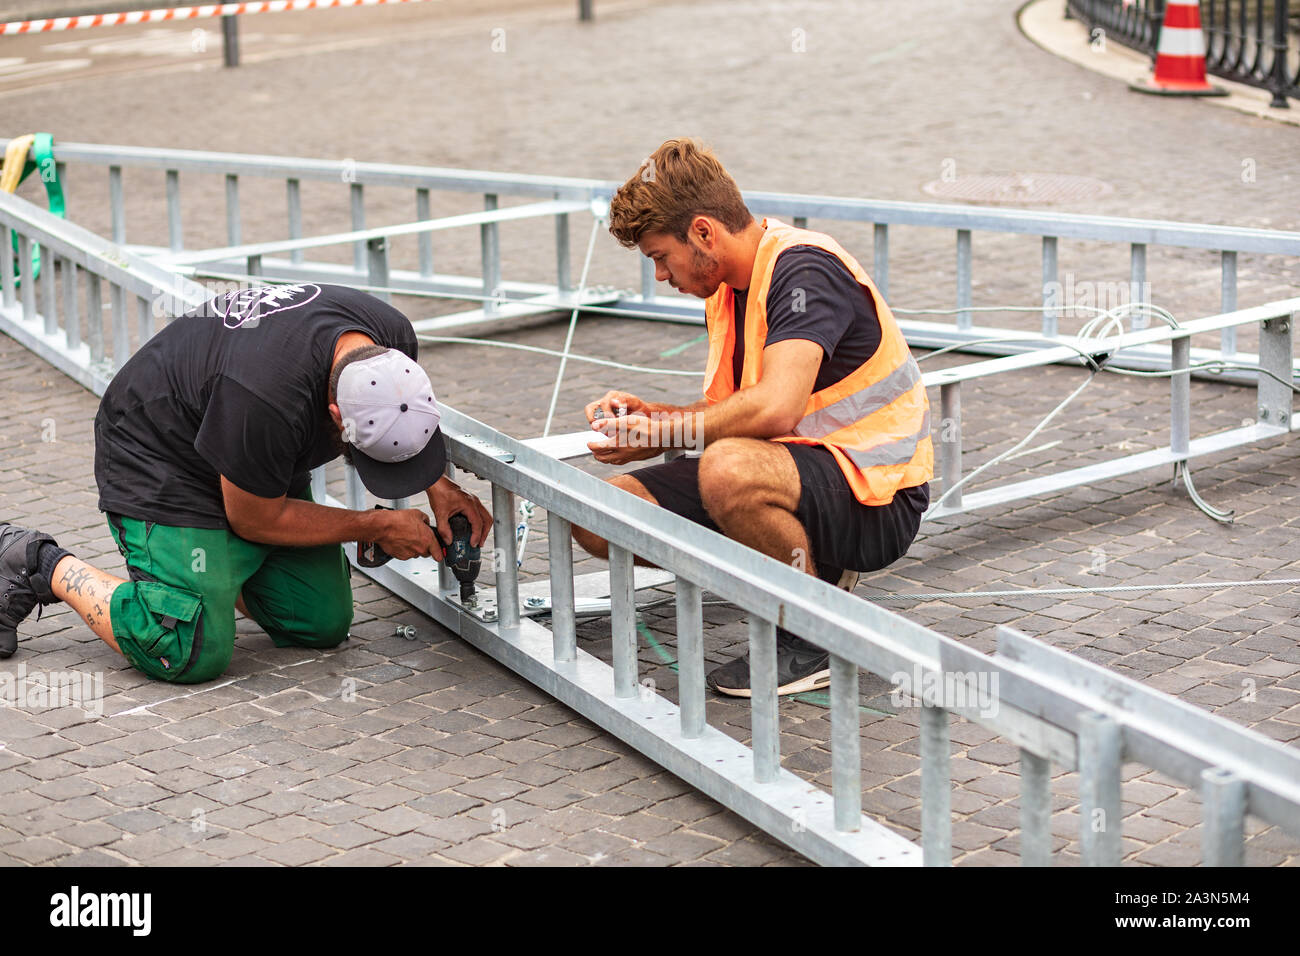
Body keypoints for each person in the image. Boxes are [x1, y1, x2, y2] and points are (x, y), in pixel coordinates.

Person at [575, 138, 932, 698]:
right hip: (789, 473)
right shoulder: (729, 290)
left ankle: (813, 633)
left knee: (727, 469)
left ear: (703, 233)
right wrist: (654, 421)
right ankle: (798, 568)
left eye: (660, 257)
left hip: (876, 499)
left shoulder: (806, 269)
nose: (663, 276)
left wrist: (671, 432)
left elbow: (777, 407)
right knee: (597, 517)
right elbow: (734, 412)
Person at [0, 282, 491, 683]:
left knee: (319, 621)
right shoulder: (267, 398)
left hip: (250, 451)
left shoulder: (391, 338)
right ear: (335, 414)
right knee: (188, 649)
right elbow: (256, 517)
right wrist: (374, 527)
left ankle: (210, 571)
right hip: (160, 456)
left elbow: (405, 417)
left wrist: (440, 488)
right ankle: (36, 561)